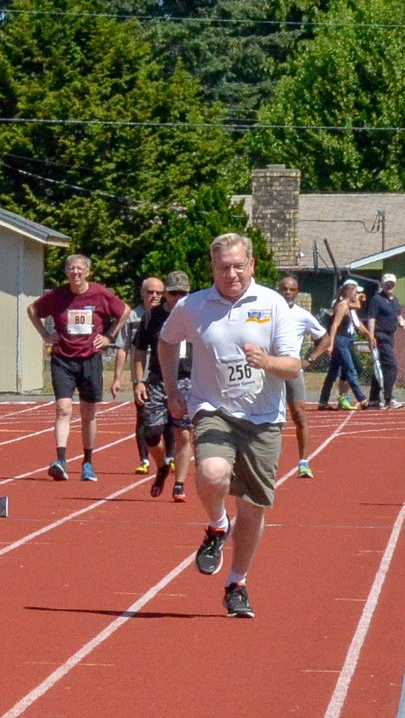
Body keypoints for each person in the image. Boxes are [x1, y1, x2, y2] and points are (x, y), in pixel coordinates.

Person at [159, 233, 305, 619]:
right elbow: (167, 341)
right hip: (213, 409)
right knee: (211, 470)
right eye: (224, 267)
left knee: (254, 508)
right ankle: (217, 524)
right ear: (213, 269)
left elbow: (293, 366)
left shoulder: (273, 305)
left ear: (252, 265)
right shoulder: (193, 306)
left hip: (263, 418)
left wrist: (267, 362)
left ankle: (236, 582)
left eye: (239, 265)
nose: (232, 273)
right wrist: (172, 388)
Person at [27, 254, 127, 481]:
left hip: (90, 359)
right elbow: (32, 310)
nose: (75, 272)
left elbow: (125, 311)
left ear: (87, 272)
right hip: (63, 358)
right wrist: (44, 334)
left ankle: (88, 462)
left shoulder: (100, 294)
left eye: (80, 269)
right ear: (67, 273)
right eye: (71, 269)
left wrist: (109, 336)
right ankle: (61, 460)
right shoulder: (57, 295)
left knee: (88, 412)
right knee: (63, 408)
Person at [131, 271, 196, 502]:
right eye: (173, 293)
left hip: (187, 379)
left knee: (184, 433)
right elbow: (138, 350)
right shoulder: (152, 317)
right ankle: (162, 466)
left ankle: (179, 484)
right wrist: (138, 381)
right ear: (166, 294)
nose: (177, 297)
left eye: (183, 293)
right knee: (151, 434)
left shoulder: (196, 316)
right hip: (158, 380)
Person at [277, 275, 330, 478]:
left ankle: (304, 461)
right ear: (278, 290)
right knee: (268, 417)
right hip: (270, 368)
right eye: (284, 289)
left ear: (297, 292)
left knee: (299, 414)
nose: (288, 292)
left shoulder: (303, 315)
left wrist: (310, 359)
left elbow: (324, 339)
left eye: (291, 289)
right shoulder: (268, 311)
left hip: (292, 368)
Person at [110, 277, 162, 472]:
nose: (154, 296)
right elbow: (123, 348)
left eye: (158, 292)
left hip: (161, 375)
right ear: (142, 294)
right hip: (140, 377)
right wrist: (117, 377)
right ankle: (144, 460)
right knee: (142, 417)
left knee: (166, 419)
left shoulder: (167, 315)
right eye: (150, 292)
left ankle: (169, 456)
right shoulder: (132, 317)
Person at [363, 272, 405, 408]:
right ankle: (389, 398)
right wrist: (371, 336)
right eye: (387, 284)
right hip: (380, 336)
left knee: (382, 367)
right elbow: (372, 319)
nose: (389, 286)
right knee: (391, 366)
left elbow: (400, 320)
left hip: (390, 337)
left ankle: (374, 398)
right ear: (383, 284)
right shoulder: (377, 299)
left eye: (392, 284)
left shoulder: (395, 302)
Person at [318, 280, 369, 411]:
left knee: (333, 372)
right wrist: (330, 344)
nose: (357, 294)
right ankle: (362, 399)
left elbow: (357, 308)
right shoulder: (342, 305)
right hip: (340, 340)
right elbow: (334, 325)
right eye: (355, 292)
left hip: (347, 339)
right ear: (349, 292)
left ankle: (324, 401)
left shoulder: (348, 305)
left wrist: (358, 297)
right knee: (351, 370)